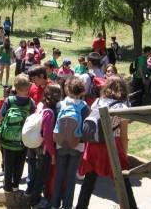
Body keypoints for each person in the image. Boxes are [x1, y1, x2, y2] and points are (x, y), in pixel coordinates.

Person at [75, 76, 137, 209]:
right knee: (123, 181)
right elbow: (124, 136)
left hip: (94, 145)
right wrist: (124, 156)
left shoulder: (97, 101)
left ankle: (81, 206)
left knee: (89, 180)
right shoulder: (122, 107)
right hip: (112, 146)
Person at [52, 77, 89, 209]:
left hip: (60, 143)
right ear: (82, 91)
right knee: (71, 176)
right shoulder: (84, 107)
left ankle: (54, 204)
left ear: (68, 89)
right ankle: (67, 205)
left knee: (59, 174)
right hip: (76, 144)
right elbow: (85, 129)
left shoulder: (60, 104)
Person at [0, 74, 35, 192]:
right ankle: (15, 185)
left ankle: (7, 187)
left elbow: (1, 117)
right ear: (28, 88)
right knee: (19, 163)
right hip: (23, 140)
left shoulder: (9, 100)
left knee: (8, 163)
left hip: (8, 140)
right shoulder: (31, 103)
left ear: (15, 86)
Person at [30, 85, 61, 209]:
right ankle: (35, 201)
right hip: (45, 149)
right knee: (42, 176)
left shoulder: (41, 105)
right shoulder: (50, 112)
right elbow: (48, 136)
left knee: (39, 174)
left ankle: (36, 197)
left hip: (38, 146)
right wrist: (52, 154)